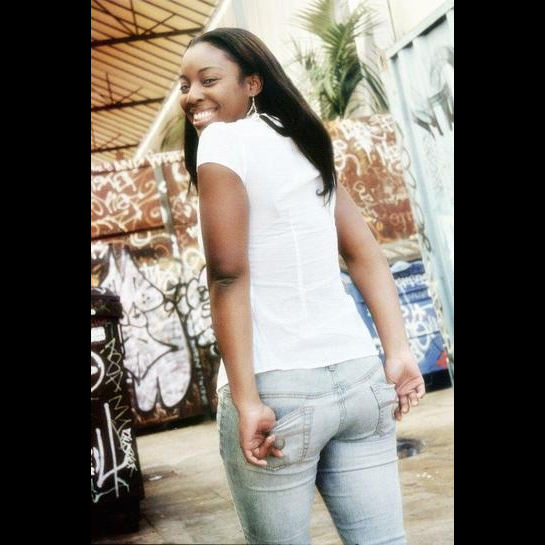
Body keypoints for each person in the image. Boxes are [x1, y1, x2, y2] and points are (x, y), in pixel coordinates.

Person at [179, 27, 425, 545]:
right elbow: (364, 252)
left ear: (252, 83)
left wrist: (246, 400)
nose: (192, 95)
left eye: (208, 80)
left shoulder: (222, 141)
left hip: (278, 386)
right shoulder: (301, 139)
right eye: (185, 85)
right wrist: (398, 352)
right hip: (359, 377)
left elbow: (228, 274)